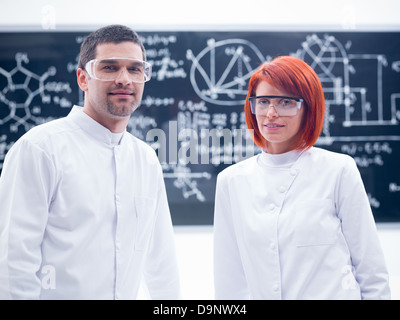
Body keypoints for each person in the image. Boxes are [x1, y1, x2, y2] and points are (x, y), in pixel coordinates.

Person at [0, 24, 181, 300]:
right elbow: (13, 263)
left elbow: (161, 262)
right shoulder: (39, 150)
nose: (124, 79)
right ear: (83, 79)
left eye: (135, 69)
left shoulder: (146, 160)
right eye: (109, 67)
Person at [213, 56, 391, 300]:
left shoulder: (338, 170)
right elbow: (229, 281)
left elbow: (371, 273)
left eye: (285, 102)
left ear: (308, 107)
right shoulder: (230, 181)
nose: (271, 113)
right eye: (263, 101)